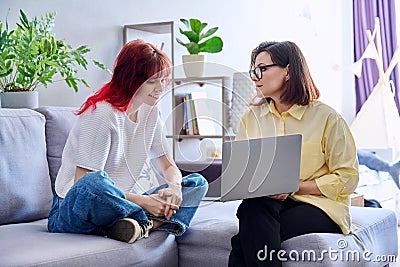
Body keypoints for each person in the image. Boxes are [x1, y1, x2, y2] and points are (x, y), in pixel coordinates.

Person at [47, 40, 208, 244]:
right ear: (130, 79)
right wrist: (144, 202)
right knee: (94, 181)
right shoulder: (102, 113)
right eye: (152, 81)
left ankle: (141, 225)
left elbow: (168, 165)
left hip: (118, 207)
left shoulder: (150, 112)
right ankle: (145, 220)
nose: (160, 88)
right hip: (71, 210)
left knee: (196, 183)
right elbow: (83, 185)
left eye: (163, 80)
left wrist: (175, 187)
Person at [228, 41, 359, 266]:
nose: (254, 77)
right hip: (267, 204)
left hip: (319, 205)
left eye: (262, 69)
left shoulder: (328, 118)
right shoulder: (251, 118)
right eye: (253, 70)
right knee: (252, 208)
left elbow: (348, 177)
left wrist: (295, 186)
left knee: (246, 239)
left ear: (287, 70)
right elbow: (243, 171)